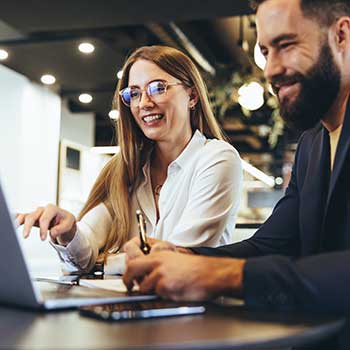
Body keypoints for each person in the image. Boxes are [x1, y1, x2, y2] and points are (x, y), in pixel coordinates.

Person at [123, 1, 350, 348]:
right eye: (264, 52)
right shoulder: (312, 145)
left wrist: (227, 275)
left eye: (286, 45)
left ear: (342, 35)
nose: (271, 69)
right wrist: (183, 256)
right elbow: (271, 245)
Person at [17, 45, 242, 274]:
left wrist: (103, 263)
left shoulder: (217, 158)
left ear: (192, 96)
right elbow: (85, 249)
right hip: (128, 307)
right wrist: (69, 231)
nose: (144, 102)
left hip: (194, 307)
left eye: (157, 88)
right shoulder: (127, 170)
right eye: (134, 93)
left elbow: (178, 259)